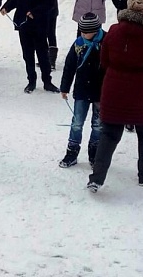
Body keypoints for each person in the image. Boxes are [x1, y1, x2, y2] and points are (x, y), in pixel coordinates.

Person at [86, 0, 143, 192]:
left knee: (109, 134)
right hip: (139, 89)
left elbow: (104, 61)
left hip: (113, 87)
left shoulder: (114, 31)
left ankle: (96, 179)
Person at [0, 0, 60, 93]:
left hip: (39, 22)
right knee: (27, 54)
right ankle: (31, 81)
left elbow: (50, 1)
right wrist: (6, 7)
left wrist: (35, 12)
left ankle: (47, 81)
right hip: (23, 22)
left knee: (42, 53)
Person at [58, 12, 106, 169]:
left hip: (101, 91)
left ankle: (95, 153)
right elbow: (69, 66)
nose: (84, 34)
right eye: (82, 31)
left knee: (98, 124)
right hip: (82, 90)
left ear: (96, 29)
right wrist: (65, 87)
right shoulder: (78, 44)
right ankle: (72, 152)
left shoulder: (106, 43)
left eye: (88, 31)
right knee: (77, 122)